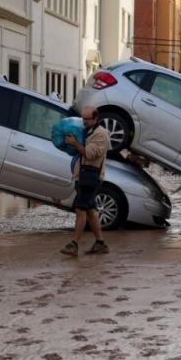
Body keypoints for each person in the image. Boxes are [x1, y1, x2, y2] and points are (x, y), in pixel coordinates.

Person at [61, 106, 110, 256]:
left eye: (87, 119)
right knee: (90, 211)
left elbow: (89, 154)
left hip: (91, 178)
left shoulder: (101, 135)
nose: (84, 122)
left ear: (95, 119)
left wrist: (75, 143)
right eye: (83, 119)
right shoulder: (88, 131)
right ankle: (100, 243)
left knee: (80, 209)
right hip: (83, 176)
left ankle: (74, 244)